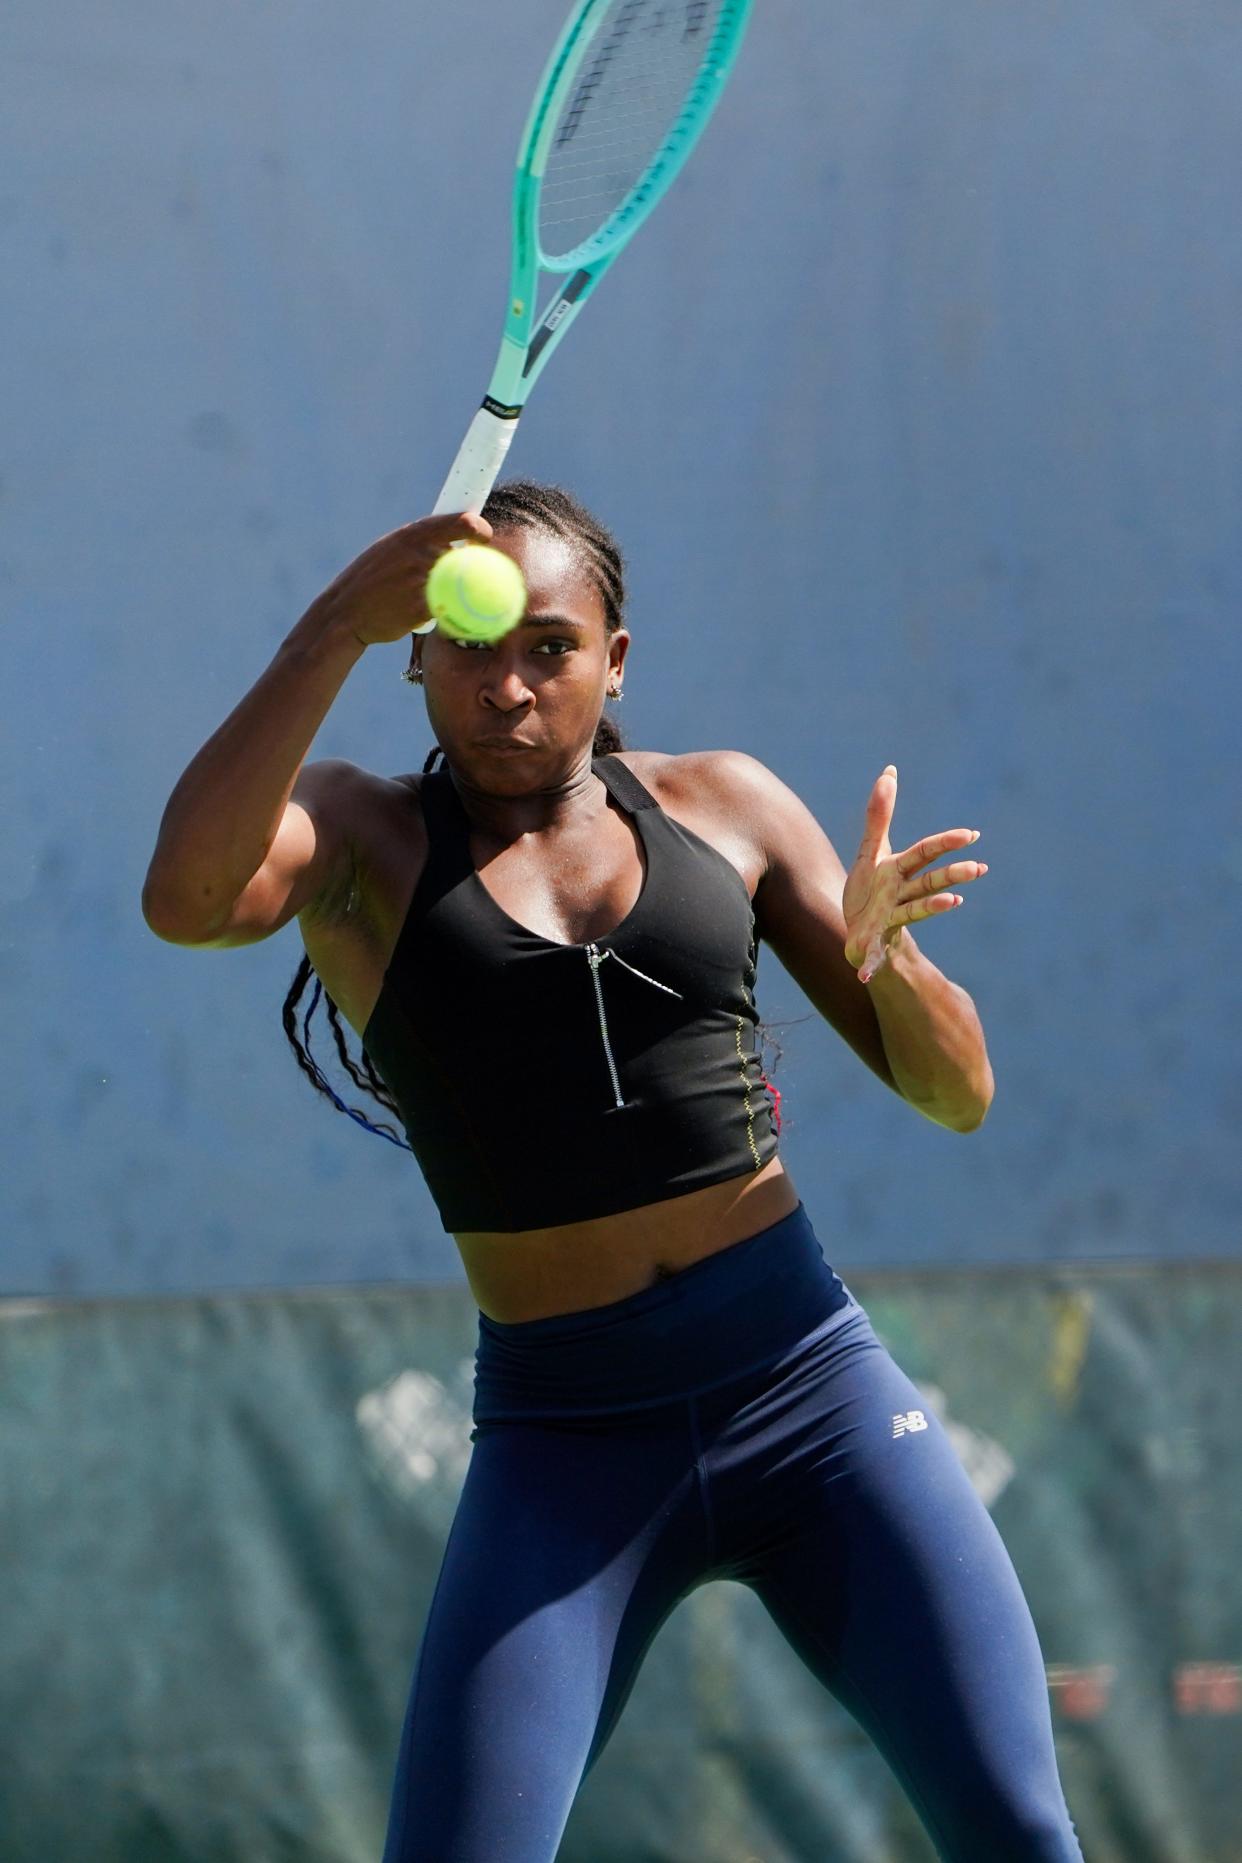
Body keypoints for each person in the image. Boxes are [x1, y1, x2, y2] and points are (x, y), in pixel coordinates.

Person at [142, 481, 1082, 1861]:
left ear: (614, 660)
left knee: (1015, 1829)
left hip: (811, 1395)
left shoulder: (730, 806)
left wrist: (897, 958)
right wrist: (332, 625)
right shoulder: (360, 842)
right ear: (417, 653)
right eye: (469, 645)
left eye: (550, 647)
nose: (508, 685)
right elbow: (184, 902)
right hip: (564, 1444)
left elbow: (957, 1095)